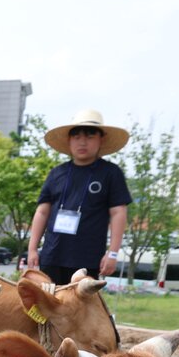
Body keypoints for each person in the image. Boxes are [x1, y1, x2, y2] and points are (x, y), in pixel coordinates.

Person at [27, 109, 133, 284]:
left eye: (90, 136)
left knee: (80, 309)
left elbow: (118, 213)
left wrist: (113, 253)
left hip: (88, 259)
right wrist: (32, 249)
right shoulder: (56, 173)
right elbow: (42, 212)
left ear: (101, 139)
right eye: (77, 137)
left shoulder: (110, 173)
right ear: (69, 140)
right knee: (48, 307)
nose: (82, 142)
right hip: (52, 255)